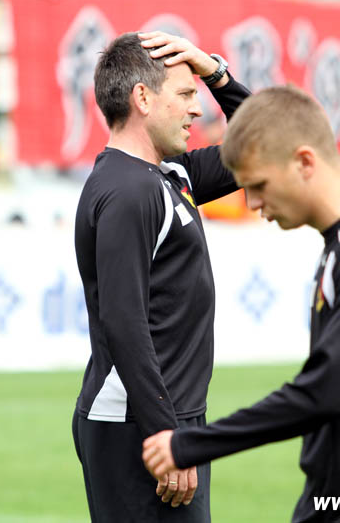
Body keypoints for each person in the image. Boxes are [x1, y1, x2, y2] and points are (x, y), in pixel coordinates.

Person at [142, 86, 340, 523]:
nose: (253, 203)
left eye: (258, 185)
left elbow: (324, 391)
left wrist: (190, 444)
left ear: (305, 162)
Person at [72, 31, 251, 522]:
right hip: (140, 425)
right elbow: (123, 322)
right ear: (143, 98)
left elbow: (268, 141)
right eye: (186, 93)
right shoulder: (128, 191)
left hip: (166, 419)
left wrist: (214, 71)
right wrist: (164, 434)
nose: (198, 108)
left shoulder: (168, 175)